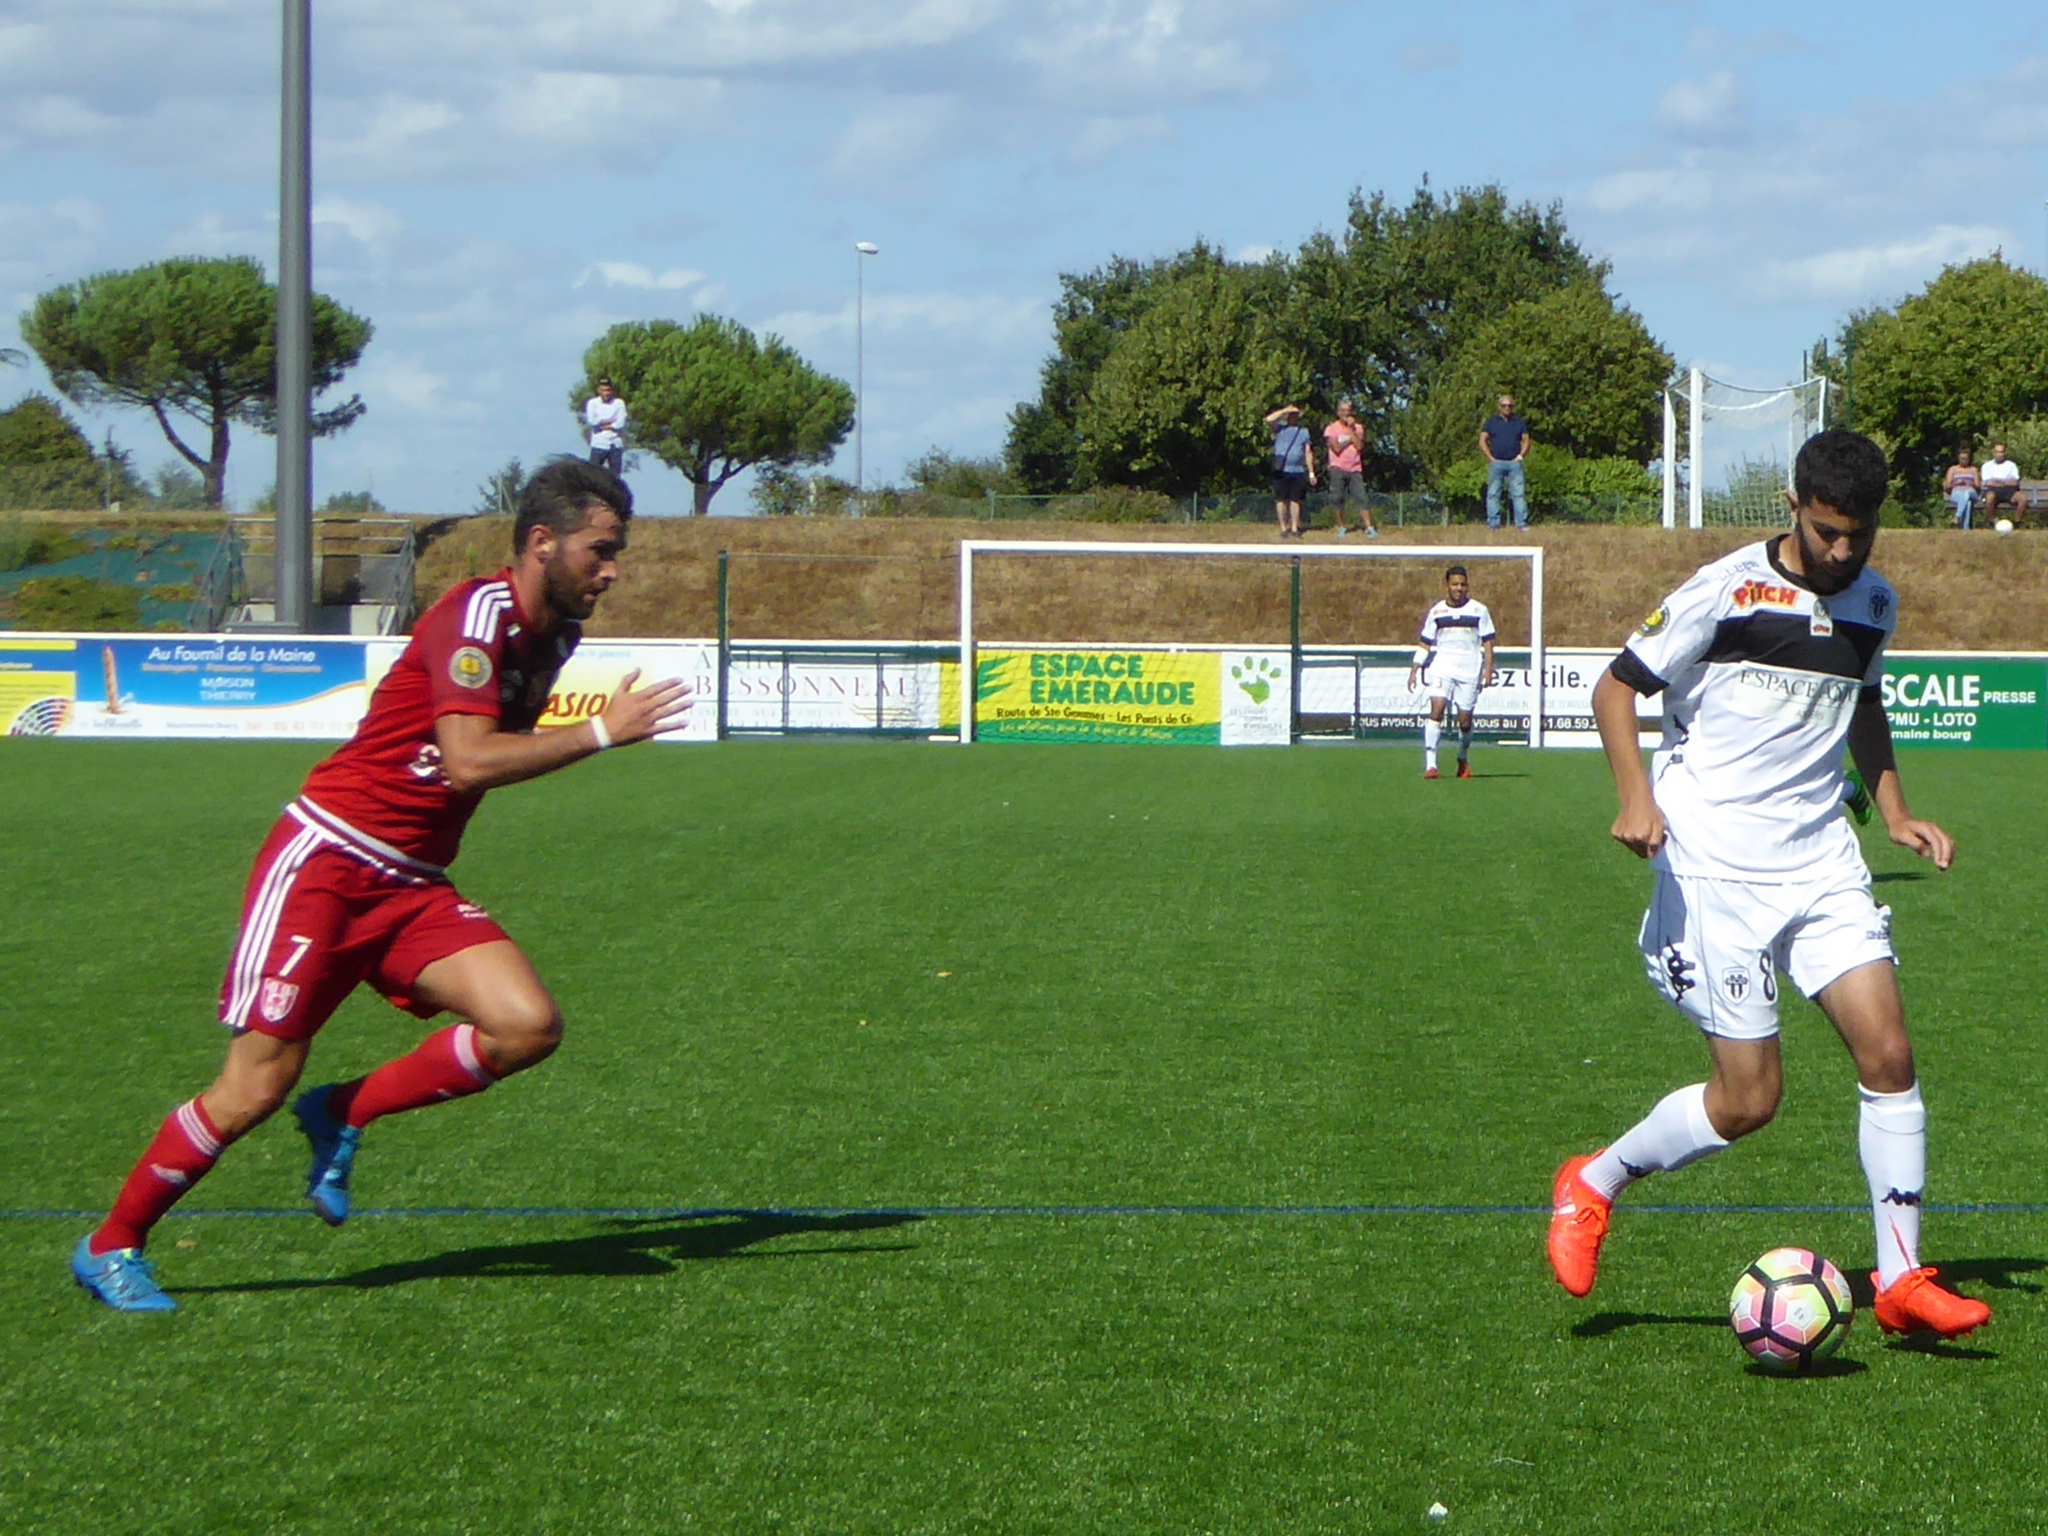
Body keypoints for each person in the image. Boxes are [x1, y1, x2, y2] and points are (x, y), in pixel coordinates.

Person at [71, 458, 693, 1313]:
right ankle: (111, 1243)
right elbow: (469, 760)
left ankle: (344, 1110)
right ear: (543, 542)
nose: (612, 570)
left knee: (526, 1026)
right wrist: (599, 733)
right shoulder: (476, 615)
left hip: (410, 882)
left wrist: (583, 734)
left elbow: (470, 759)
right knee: (254, 1087)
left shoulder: (556, 636)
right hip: (327, 863)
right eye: (602, 550)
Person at [1546, 428, 1990, 1341]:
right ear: (1793, 507)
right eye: (1827, 531)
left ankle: (1901, 1278)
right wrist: (1635, 798)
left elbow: (1864, 702)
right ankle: (1593, 1182)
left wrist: (1896, 810)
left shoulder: (1875, 603)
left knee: (1890, 1054)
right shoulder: (1726, 590)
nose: (1842, 551)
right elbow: (1615, 689)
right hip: (1714, 861)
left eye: (1859, 534)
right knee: (1749, 1100)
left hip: (1820, 857)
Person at [1407, 564, 1496, 779]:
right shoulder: (1437, 612)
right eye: (1455, 584)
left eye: (1463, 585)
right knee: (1436, 709)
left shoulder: (1479, 610)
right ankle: (1431, 765)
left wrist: (1488, 669)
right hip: (1443, 667)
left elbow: (1488, 642)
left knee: (1464, 721)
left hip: (1469, 669)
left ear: (1468, 586)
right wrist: (1414, 669)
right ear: (1447, 585)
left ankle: (1462, 757)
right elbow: (1425, 642)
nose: (1459, 588)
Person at [1320, 399, 1378, 538]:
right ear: (1338, 412)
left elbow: (1359, 446)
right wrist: (1348, 440)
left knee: (1361, 497)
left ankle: (1369, 527)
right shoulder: (1331, 429)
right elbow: (1336, 448)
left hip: (1355, 468)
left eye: (1348, 410)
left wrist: (1352, 431)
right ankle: (1341, 526)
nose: (1346, 413)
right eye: (1343, 410)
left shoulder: (1358, 428)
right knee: (1338, 497)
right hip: (1338, 467)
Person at [1480, 393, 1530, 531]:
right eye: (1504, 405)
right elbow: (1482, 440)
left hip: (1514, 463)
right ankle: (1493, 524)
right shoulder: (1491, 422)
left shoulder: (1519, 422)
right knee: (1493, 494)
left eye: (1510, 406)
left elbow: (1526, 440)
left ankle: (1521, 524)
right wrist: (1490, 458)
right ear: (1499, 407)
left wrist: (1521, 456)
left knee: (1519, 494)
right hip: (1497, 463)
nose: (1507, 408)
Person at [1265, 404, 1316, 538]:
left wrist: (1311, 472)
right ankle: (1283, 527)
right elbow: (1269, 420)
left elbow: (1308, 452)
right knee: (1281, 500)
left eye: (1295, 415)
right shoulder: (1280, 428)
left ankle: (1294, 527)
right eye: (1291, 415)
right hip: (1281, 469)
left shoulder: (1303, 431)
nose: (1293, 417)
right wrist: (1284, 410)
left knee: (1295, 500)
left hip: (1297, 470)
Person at [584, 378, 627, 477]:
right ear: (598, 390)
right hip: (598, 444)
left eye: (608, 390)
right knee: (592, 476)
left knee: (615, 478)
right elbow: (592, 421)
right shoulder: (593, 403)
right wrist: (611, 422)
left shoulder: (619, 403)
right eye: (603, 390)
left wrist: (602, 424)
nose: (606, 393)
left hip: (615, 445)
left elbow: (620, 423)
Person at [1980, 442, 2027, 525]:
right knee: (1990, 498)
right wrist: (2005, 482)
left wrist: (1998, 482)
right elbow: (1988, 482)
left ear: (2005, 453)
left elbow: (2014, 482)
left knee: (2023, 499)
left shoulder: (2011, 465)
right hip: (1992, 490)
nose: (1999, 454)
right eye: (1997, 452)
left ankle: (2017, 523)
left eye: (2001, 452)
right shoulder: (1986, 466)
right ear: (1993, 453)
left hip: (2009, 491)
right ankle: (1991, 522)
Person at [1943, 448, 1979, 530]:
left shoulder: (1973, 470)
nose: (1964, 461)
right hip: (1957, 492)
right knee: (1968, 502)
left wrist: (1970, 484)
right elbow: (1948, 486)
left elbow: (1978, 486)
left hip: (1971, 491)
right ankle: (1966, 528)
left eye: (1966, 459)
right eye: (1962, 458)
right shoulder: (1953, 469)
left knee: (1967, 493)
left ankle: (1958, 516)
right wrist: (1957, 483)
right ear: (1958, 458)